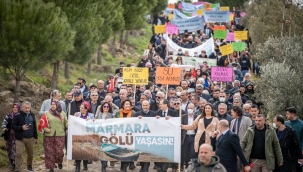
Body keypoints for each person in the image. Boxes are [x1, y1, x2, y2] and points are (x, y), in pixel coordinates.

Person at [39, 100, 68, 172]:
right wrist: (45, 129)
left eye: (54, 104)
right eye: (52, 104)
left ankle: (59, 161)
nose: (53, 106)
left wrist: (69, 125)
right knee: (49, 151)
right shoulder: (46, 113)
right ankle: (51, 167)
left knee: (59, 151)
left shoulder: (63, 113)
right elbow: (42, 123)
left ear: (58, 105)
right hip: (49, 135)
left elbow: (66, 124)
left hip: (60, 134)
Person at [12, 101, 38, 172]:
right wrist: (21, 127)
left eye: (28, 108)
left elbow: (34, 127)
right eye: (25, 108)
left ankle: (29, 166)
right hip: (20, 138)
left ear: (30, 108)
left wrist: (36, 137)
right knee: (18, 154)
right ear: (22, 107)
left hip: (30, 138)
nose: (27, 109)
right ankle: (17, 169)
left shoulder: (32, 115)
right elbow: (13, 126)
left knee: (30, 154)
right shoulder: (17, 115)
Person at [155, 99, 178, 172]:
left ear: (165, 105)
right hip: (160, 138)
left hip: (170, 137)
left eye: (161, 104)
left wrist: (171, 119)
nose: (159, 105)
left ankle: (164, 169)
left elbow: (176, 124)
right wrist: (156, 120)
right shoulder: (157, 113)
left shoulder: (173, 113)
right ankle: (159, 167)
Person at [133, 100, 156, 172]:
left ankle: (146, 168)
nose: (145, 107)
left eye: (146, 105)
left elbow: (156, 123)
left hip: (149, 137)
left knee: (148, 153)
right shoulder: (137, 114)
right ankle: (142, 167)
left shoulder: (153, 114)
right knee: (141, 153)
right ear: (141, 106)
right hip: (140, 137)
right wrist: (137, 120)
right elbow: (132, 124)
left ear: (149, 106)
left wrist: (158, 118)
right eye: (143, 105)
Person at [115, 99, 136, 171]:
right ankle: (123, 166)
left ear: (131, 106)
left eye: (129, 104)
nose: (127, 105)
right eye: (126, 104)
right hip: (121, 135)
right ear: (123, 105)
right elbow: (113, 122)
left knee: (129, 151)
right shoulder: (118, 113)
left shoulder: (134, 113)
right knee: (122, 151)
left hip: (130, 135)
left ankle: (125, 166)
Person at [94, 102, 115, 172]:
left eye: (107, 107)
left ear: (109, 108)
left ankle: (104, 165)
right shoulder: (98, 115)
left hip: (108, 136)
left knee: (106, 150)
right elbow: (93, 122)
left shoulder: (112, 116)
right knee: (100, 151)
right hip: (99, 136)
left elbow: (115, 124)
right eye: (104, 106)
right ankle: (103, 164)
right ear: (102, 108)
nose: (106, 108)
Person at [74, 101, 94, 172]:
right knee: (78, 151)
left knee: (85, 151)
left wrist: (90, 121)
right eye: (80, 108)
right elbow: (73, 123)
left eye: (82, 108)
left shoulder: (91, 115)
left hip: (86, 136)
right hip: (78, 135)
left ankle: (85, 165)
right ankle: (77, 166)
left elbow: (93, 125)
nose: (81, 109)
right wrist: (75, 118)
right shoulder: (77, 114)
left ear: (86, 109)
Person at [1, 103, 21, 169]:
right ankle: (11, 162)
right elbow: (4, 122)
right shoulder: (9, 115)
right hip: (8, 136)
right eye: (14, 107)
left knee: (13, 150)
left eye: (16, 107)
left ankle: (14, 163)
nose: (15, 108)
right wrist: (4, 127)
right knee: (9, 150)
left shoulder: (20, 116)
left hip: (16, 136)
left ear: (18, 108)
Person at [284, 107, 303, 172]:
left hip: (299, 151)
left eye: (287, 114)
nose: (286, 115)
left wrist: (302, 149)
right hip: (288, 152)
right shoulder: (286, 124)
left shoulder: (301, 124)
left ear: (292, 114)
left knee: (298, 169)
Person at [181, 103, 198, 170]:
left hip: (194, 137)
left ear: (194, 109)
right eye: (188, 108)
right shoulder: (183, 117)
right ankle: (187, 167)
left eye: (191, 108)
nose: (190, 109)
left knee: (192, 153)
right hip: (186, 137)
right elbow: (180, 128)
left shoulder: (197, 117)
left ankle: (192, 167)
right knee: (185, 153)